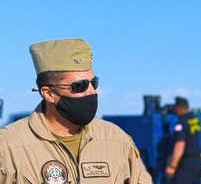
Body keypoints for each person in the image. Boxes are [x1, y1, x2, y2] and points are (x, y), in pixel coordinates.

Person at [0, 39, 152, 184]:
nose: (91, 92)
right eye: (80, 86)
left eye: (95, 83)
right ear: (48, 94)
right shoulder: (8, 146)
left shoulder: (116, 140)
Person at [165, 97, 201, 184]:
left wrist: (172, 166)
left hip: (186, 164)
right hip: (197, 161)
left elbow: (180, 144)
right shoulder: (195, 120)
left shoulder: (180, 124)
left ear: (178, 109)